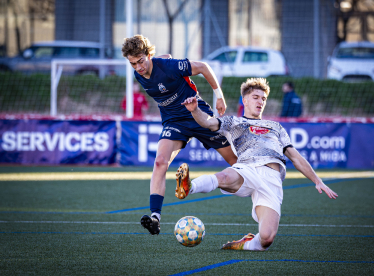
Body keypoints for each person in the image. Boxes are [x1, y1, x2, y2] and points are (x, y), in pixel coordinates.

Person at [177, 77, 338, 251]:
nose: (260, 101)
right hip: (246, 169)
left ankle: (246, 243)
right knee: (224, 176)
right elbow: (208, 122)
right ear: (245, 100)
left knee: (266, 239)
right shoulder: (234, 122)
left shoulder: (276, 127)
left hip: (272, 180)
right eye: (255, 97)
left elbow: (296, 157)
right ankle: (189, 187)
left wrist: (317, 180)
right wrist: (194, 111)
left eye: (263, 98)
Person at [121, 34, 237, 235]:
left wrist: (219, 97)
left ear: (149, 55)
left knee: (236, 162)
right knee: (159, 162)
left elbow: (202, 67)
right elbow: (159, 65)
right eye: (133, 64)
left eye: (141, 61)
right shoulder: (138, 74)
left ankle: (257, 191)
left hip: (198, 115)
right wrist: (162, 58)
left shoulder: (168, 66)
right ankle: (155, 218)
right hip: (174, 122)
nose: (138, 67)